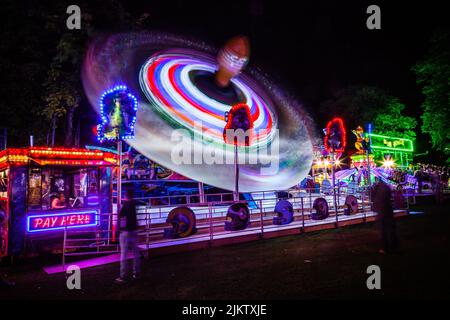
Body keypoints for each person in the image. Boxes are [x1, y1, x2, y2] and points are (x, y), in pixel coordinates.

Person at [115, 189, 140, 283]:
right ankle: (136, 273)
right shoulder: (135, 203)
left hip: (126, 232)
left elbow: (120, 215)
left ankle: (122, 276)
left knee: (124, 254)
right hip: (135, 230)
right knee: (136, 253)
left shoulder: (126, 204)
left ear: (126, 196)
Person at [371, 178, 398, 254]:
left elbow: (375, 199)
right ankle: (394, 247)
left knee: (383, 231)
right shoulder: (386, 187)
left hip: (382, 212)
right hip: (388, 210)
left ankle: (385, 248)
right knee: (391, 230)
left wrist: (375, 208)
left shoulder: (378, 188)